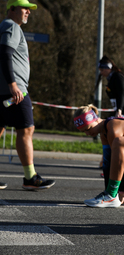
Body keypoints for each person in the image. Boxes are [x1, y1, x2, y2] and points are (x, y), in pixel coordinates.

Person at [0, 0, 55, 190]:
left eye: (30, 9)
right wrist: (13, 85)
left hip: (4, 90)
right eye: (25, 8)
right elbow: (5, 54)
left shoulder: (4, 26)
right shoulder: (11, 27)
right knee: (26, 129)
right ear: (12, 9)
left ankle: (30, 177)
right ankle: (30, 177)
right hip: (15, 92)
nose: (28, 12)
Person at [97, 55, 124, 170]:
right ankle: (106, 161)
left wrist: (119, 109)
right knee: (109, 134)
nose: (101, 72)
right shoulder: (111, 78)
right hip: (118, 110)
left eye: (103, 70)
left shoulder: (118, 76)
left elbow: (122, 93)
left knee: (117, 138)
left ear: (109, 68)